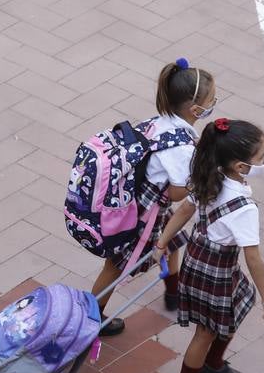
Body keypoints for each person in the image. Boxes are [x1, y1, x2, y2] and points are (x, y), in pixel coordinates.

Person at [155, 118, 264, 373]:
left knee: (237, 302)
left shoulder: (211, 176)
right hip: (215, 270)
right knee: (206, 330)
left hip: (201, 259)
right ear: (239, 166)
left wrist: (163, 241)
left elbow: (185, 208)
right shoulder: (244, 210)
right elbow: (253, 258)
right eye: (260, 157)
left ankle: (212, 364)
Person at [89, 59, 217, 337]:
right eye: (212, 100)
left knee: (169, 238)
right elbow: (173, 192)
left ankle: (173, 289)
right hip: (144, 212)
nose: (214, 103)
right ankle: (91, 318)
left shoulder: (159, 122)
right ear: (196, 109)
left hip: (138, 198)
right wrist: (200, 181)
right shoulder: (182, 147)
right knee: (116, 266)